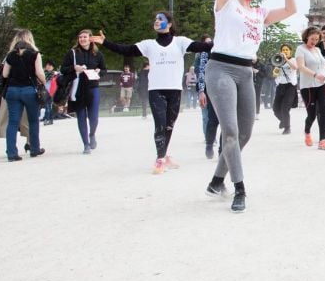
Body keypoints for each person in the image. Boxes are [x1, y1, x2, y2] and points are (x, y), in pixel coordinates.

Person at [201, 0, 295, 213]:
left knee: (245, 133)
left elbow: (290, 9)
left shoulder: (260, 13)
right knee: (230, 131)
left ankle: (216, 182)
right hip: (220, 67)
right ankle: (240, 188)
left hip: (245, 72)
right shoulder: (226, 3)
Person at [93, 12, 211, 171]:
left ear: (169, 24)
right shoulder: (148, 44)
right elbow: (126, 50)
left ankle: (164, 155)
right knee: (160, 124)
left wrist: (228, 37)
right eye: (155, 19)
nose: (156, 21)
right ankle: (160, 159)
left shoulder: (180, 42)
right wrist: (105, 42)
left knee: (169, 125)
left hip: (175, 90)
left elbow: (204, 46)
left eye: (160, 19)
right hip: (156, 90)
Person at [1, 29, 46, 161]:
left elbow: (4, 74)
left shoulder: (10, 55)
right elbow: (39, 73)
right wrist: (44, 82)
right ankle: (34, 149)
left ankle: (11, 153)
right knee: (33, 120)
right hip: (29, 90)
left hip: (13, 90)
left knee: (13, 122)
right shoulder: (34, 54)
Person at [61, 29, 107, 154]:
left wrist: (99, 71)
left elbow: (104, 70)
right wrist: (74, 68)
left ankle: (92, 134)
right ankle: (85, 144)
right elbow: (63, 69)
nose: (82, 39)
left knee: (94, 117)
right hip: (78, 88)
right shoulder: (72, 53)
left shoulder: (98, 54)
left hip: (93, 87)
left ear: (91, 38)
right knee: (81, 116)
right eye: (80, 37)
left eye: (85, 37)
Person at [297, 26, 325, 150]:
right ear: (306, 37)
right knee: (312, 115)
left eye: (317, 39)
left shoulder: (317, 50)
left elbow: (321, 67)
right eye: (312, 39)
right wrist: (315, 75)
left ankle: (322, 140)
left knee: (324, 111)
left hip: (322, 85)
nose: (314, 42)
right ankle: (307, 132)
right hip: (308, 86)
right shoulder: (300, 49)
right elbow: (301, 67)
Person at [195, 34, 221, 158]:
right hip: (212, 87)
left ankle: (223, 150)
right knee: (212, 119)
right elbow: (201, 71)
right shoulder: (208, 49)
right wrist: (201, 91)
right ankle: (209, 144)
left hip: (229, 87)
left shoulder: (234, 47)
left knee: (228, 121)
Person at [272, 43, 299, 135]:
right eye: (283, 50)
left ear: (290, 51)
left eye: (287, 50)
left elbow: (295, 67)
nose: (285, 51)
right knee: (275, 108)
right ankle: (283, 121)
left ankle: (287, 128)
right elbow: (275, 73)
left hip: (290, 86)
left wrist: (286, 59)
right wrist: (276, 69)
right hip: (280, 85)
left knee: (284, 108)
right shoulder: (278, 60)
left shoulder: (293, 59)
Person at [43, 60, 56, 125]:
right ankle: (49, 119)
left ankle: (47, 119)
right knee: (47, 105)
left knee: (49, 106)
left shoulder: (54, 74)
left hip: (51, 91)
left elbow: (55, 84)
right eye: (47, 65)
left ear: (52, 67)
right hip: (45, 91)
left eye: (50, 65)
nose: (48, 66)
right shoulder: (43, 73)